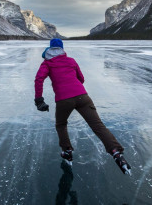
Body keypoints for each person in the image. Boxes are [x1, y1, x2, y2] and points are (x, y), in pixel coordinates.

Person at [34, 38, 131, 174]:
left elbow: (39, 79)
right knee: (98, 125)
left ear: (50, 49)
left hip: (63, 100)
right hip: (83, 97)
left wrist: (39, 99)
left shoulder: (47, 63)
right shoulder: (71, 61)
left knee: (61, 124)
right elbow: (82, 79)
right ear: (62, 49)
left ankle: (67, 151)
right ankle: (116, 152)